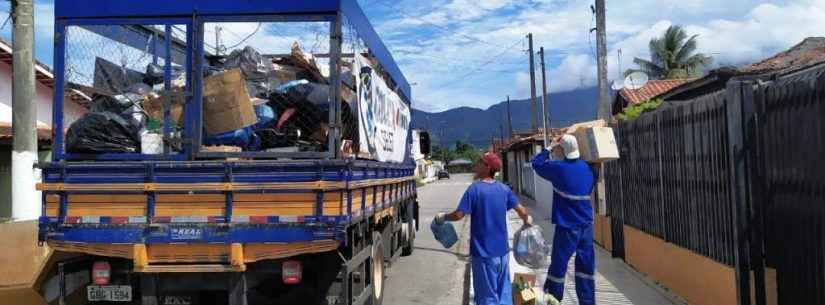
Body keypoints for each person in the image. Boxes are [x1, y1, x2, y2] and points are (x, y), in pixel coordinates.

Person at [434, 152, 532, 305]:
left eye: (479, 162)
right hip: (503, 254)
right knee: (503, 295)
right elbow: (522, 211)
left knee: (487, 298)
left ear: (487, 167)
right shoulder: (504, 189)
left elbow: (459, 215)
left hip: (484, 254)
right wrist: (527, 221)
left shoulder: (475, 189)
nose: (476, 165)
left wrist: (444, 217)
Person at [532, 134, 597, 305]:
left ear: (562, 150)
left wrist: (550, 147)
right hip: (587, 225)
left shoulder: (559, 168)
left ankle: (553, 299)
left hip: (568, 226)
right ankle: (588, 302)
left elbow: (537, 164)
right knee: (585, 268)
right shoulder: (589, 168)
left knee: (558, 267)